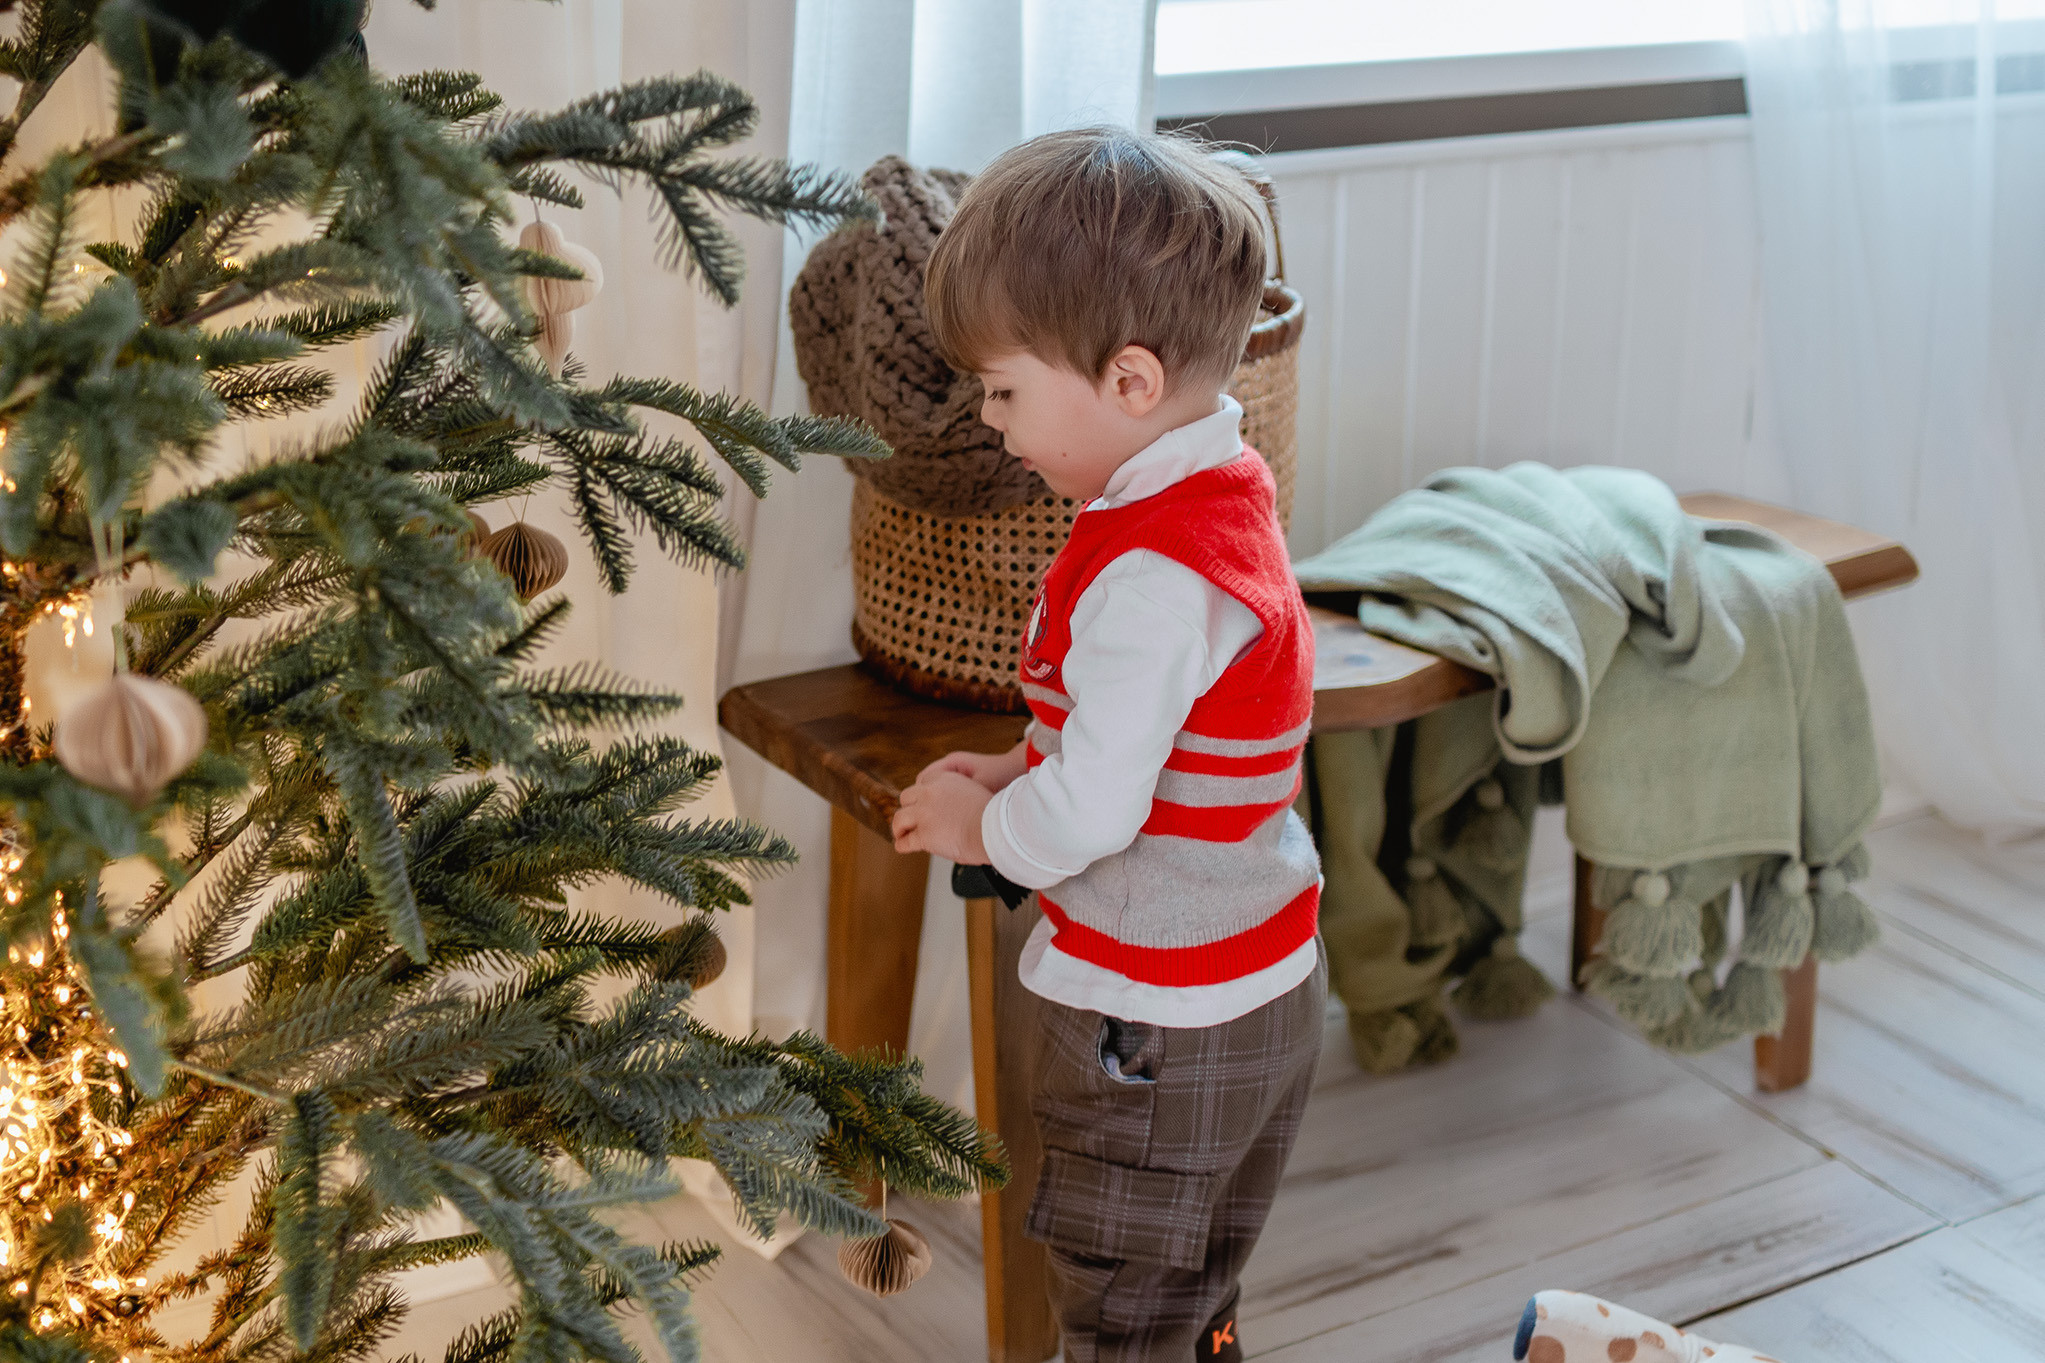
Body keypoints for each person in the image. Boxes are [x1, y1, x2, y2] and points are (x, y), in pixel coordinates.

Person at [890, 126, 1325, 1363]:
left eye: (1004, 389)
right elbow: (1145, 747)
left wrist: (991, 825)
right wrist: (1017, 770)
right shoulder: (1217, 493)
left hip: (1157, 1029)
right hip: (1254, 986)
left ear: (1128, 382)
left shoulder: (1144, 571)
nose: (989, 419)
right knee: (1188, 1296)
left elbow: (1091, 819)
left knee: (1125, 1312)